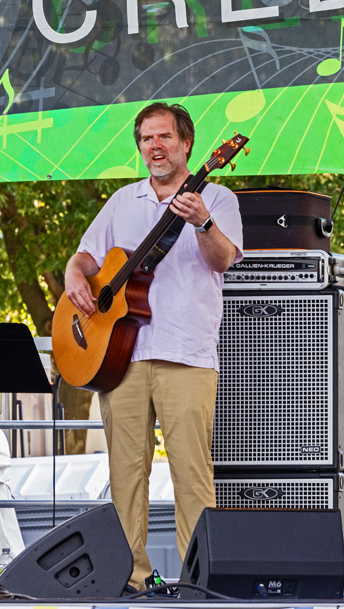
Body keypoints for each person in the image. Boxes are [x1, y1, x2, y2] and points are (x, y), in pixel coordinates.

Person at [63, 102, 244, 590]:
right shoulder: (124, 200)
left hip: (186, 354)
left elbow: (223, 260)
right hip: (120, 356)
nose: (155, 146)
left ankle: (199, 583)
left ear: (187, 144)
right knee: (125, 476)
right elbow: (85, 256)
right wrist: (73, 276)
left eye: (164, 137)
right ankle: (131, 581)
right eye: (146, 138)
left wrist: (203, 222)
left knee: (192, 474)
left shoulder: (217, 197)